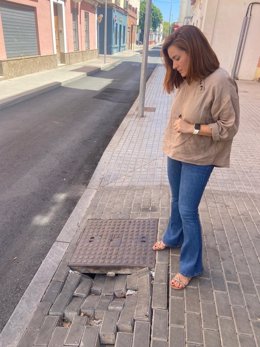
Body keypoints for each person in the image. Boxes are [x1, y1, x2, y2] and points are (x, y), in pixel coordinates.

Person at [153, 25, 239, 290]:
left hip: (199, 157)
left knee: (188, 210)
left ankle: (190, 266)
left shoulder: (221, 81)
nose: (175, 65)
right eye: (171, 60)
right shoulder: (189, 78)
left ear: (194, 50)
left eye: (177, 58)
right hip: (177, 150)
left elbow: (229, 126)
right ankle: (173, 237)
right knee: (177, 200)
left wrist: (195, 128)